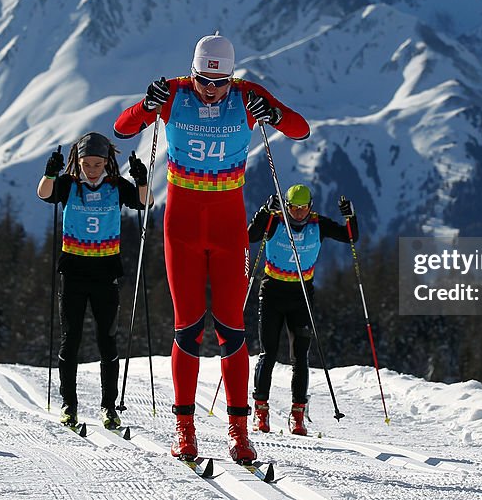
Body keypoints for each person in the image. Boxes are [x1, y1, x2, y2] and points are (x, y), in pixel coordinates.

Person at [113, 34, 309, 463]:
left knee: (231, 330)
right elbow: (123, 128)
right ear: (194, 70)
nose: (210, 90)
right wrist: (148, 105)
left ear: (231, 77)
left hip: (228, 229)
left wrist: (272, 113)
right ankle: (185, 431)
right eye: (204, 80)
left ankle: (239, 435)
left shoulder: (247, 95)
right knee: (187, 329)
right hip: (180, 226)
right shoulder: (174, 91)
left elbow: (300, 129)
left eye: (219, 83)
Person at [37, 132, 149, 430]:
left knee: (107, 341)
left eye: (98, 164)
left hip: (105, 274)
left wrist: (141, 181)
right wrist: (50, 172)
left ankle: (109, 407)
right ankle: (68, 405)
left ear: (108, 163)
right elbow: (45, 194)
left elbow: (144, 204)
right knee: (70, 340)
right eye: (87, 164)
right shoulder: (69, 185)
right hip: (73, 273)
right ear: (78, 162)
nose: (92, 170)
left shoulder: (115, 187)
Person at [248, 184, 358, 436]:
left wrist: (350, 216)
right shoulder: (274, 221)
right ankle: (260, 411)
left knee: (300, 356)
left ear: (311, 206)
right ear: (286, 206)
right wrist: (265, 211)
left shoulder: (319, 224)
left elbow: (350, 237)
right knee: (270, 353)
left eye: (303, 208)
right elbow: (251, 236)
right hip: (272, 292)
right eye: (293, 208)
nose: (298, 214)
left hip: (301, 295)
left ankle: (298, 414)